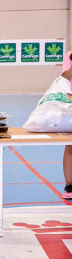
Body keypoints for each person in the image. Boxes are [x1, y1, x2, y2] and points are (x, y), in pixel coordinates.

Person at [61, 50, 72, 199]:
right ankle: (69, 186)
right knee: (70, 146)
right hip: (71, 103)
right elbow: (64, 77)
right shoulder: (69, 55)